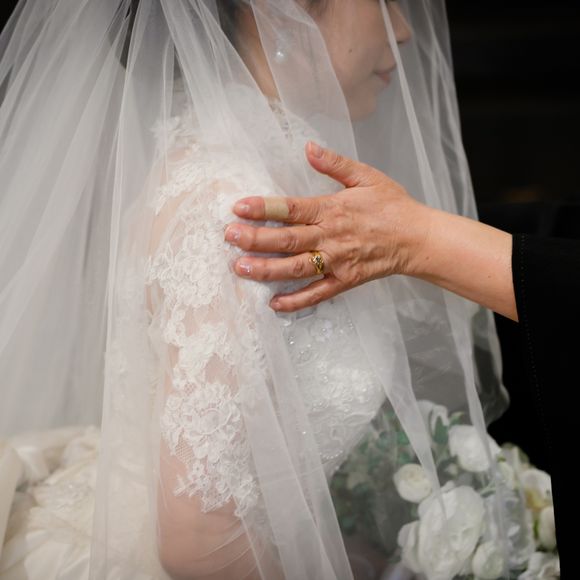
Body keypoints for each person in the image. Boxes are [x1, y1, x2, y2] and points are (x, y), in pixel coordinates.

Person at [0, 1, 555, 578]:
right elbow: (196, 543)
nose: (403, 31)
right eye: (383, 0)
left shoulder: (277, 168)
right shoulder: (232, 208)